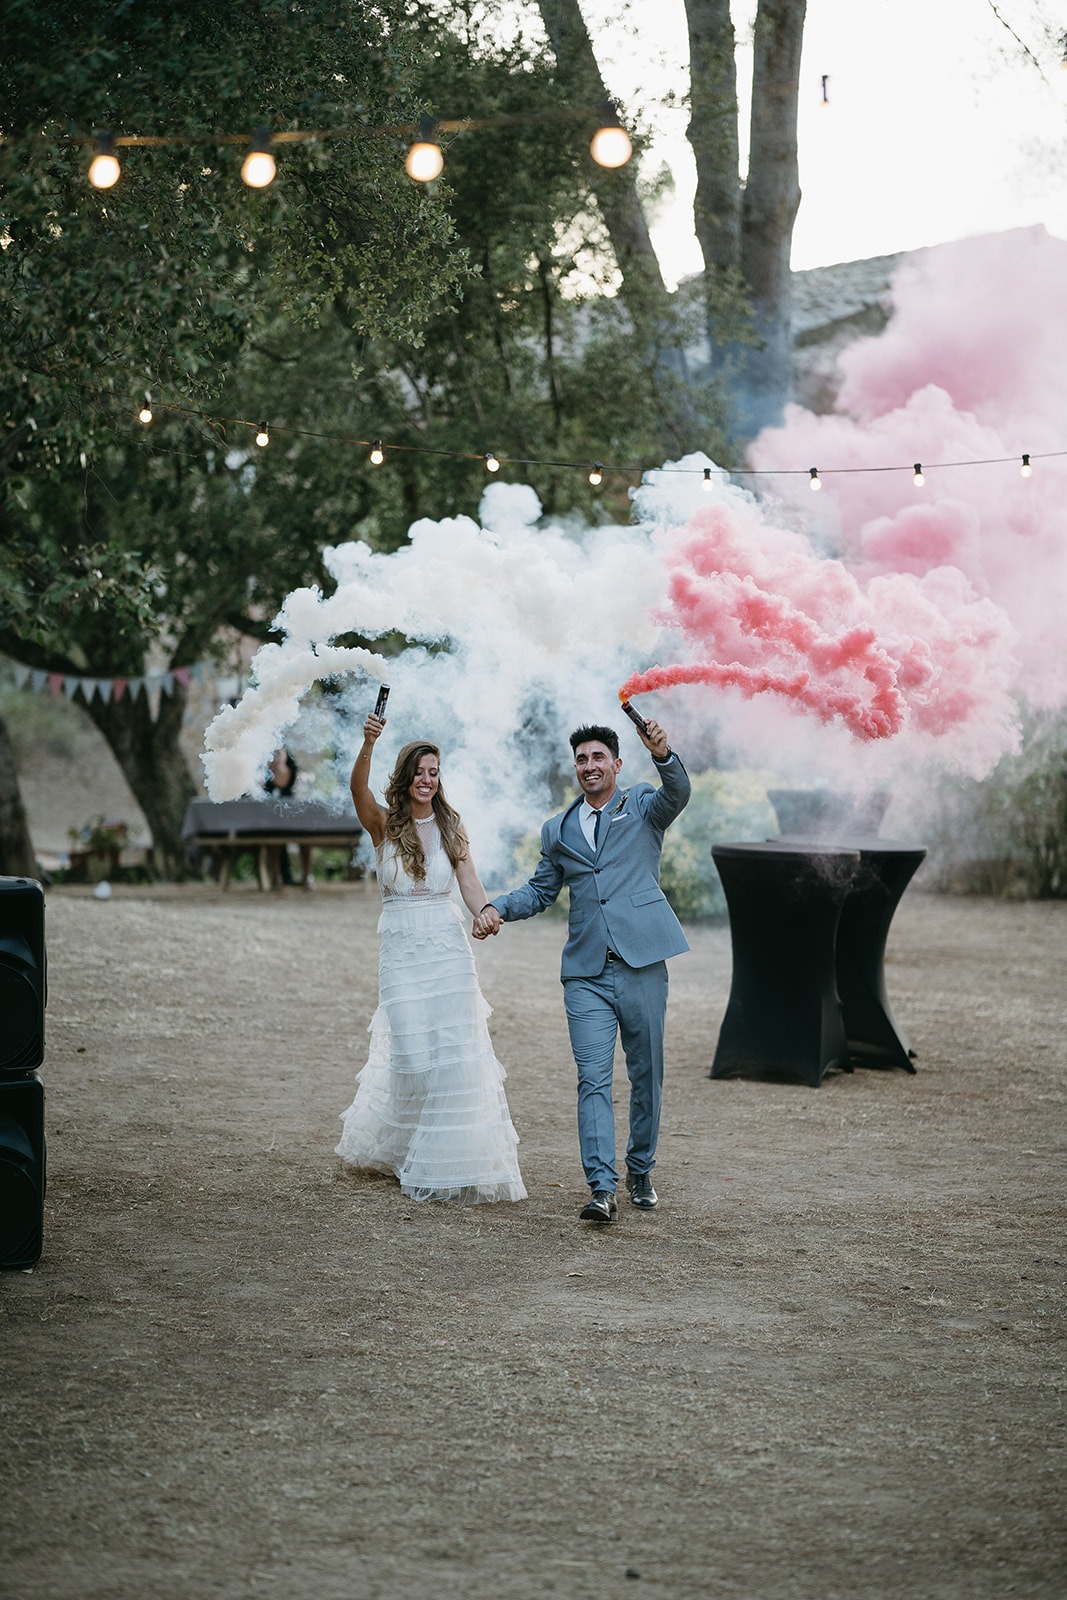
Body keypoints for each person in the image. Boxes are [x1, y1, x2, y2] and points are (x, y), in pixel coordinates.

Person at [474, 718, 690, 1224]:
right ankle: (601, 1188)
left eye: (598, 757)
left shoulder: (642, 804)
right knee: (592, 1079)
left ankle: (641, 1169)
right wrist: (498, 907)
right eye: (581, 759)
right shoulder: (558, 829)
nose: (589, 766)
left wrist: (663, 754)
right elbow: (541, 890)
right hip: (586, 974)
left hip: (642, 964)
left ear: (616, 763)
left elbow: (677, 793)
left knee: (647, 1075)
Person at [336, 711, 526, 1205]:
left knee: (453, 1054)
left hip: (447, 949)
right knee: (413, 1054)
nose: (427, 780)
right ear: (405, 777)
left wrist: (484, 911)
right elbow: (357, 790)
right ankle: (405, 1145)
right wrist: (368, 742)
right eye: (419, 772)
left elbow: (468, 879)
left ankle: (443, 1160)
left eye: (434, 772)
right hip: (401, 950)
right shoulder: (383, 824)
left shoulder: (451, 824)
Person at [263, 747, 313, 889]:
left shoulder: (297, 775)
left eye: (278, 754)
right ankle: (277, 877)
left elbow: (304, 799)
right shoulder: (263, 776)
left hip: (298, 821)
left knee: (306, 836)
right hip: (273, 823)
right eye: (271, 754)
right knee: (274, 836)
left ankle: (306, 876)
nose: (274, 758)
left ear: (285, 755)